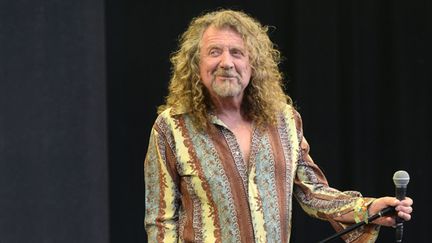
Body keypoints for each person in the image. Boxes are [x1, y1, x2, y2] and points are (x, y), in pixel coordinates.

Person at [144, 9, 413, 242]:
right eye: (215, 52)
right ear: (196, 63)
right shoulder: (172, 127)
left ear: (253, 64)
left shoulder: (285, 120)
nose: (226, 62)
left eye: (237, 52)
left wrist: (369, 209)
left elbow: (313, 192)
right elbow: (160, 221)